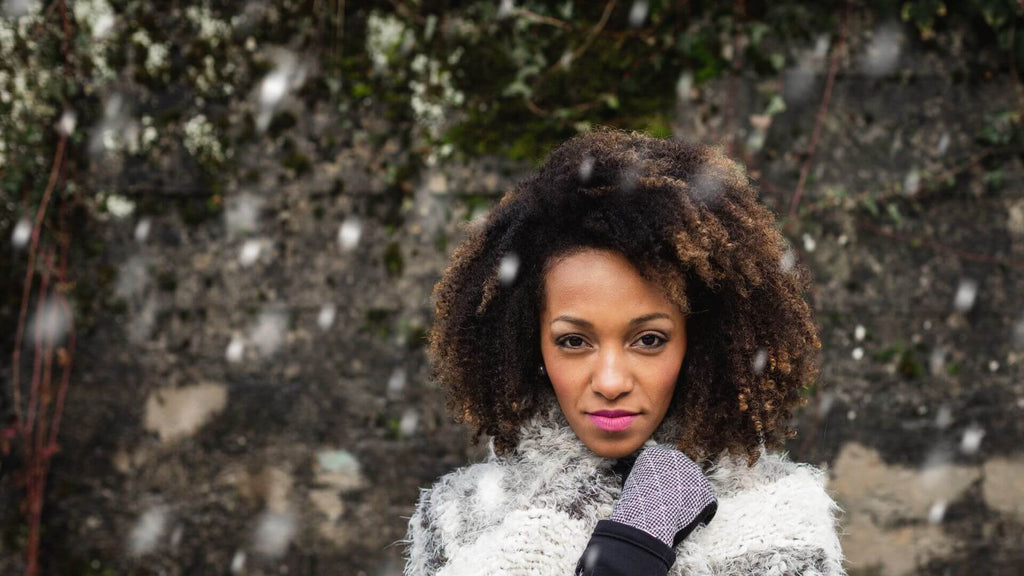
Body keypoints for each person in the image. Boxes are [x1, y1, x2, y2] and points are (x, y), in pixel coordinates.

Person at [400, 128, 847, 575]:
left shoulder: (779, 518)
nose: (611, 382)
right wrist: (630, 549)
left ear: (699, 342)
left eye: (648, 340)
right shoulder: (458, 518)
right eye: (574, 341)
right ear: (527, 344)